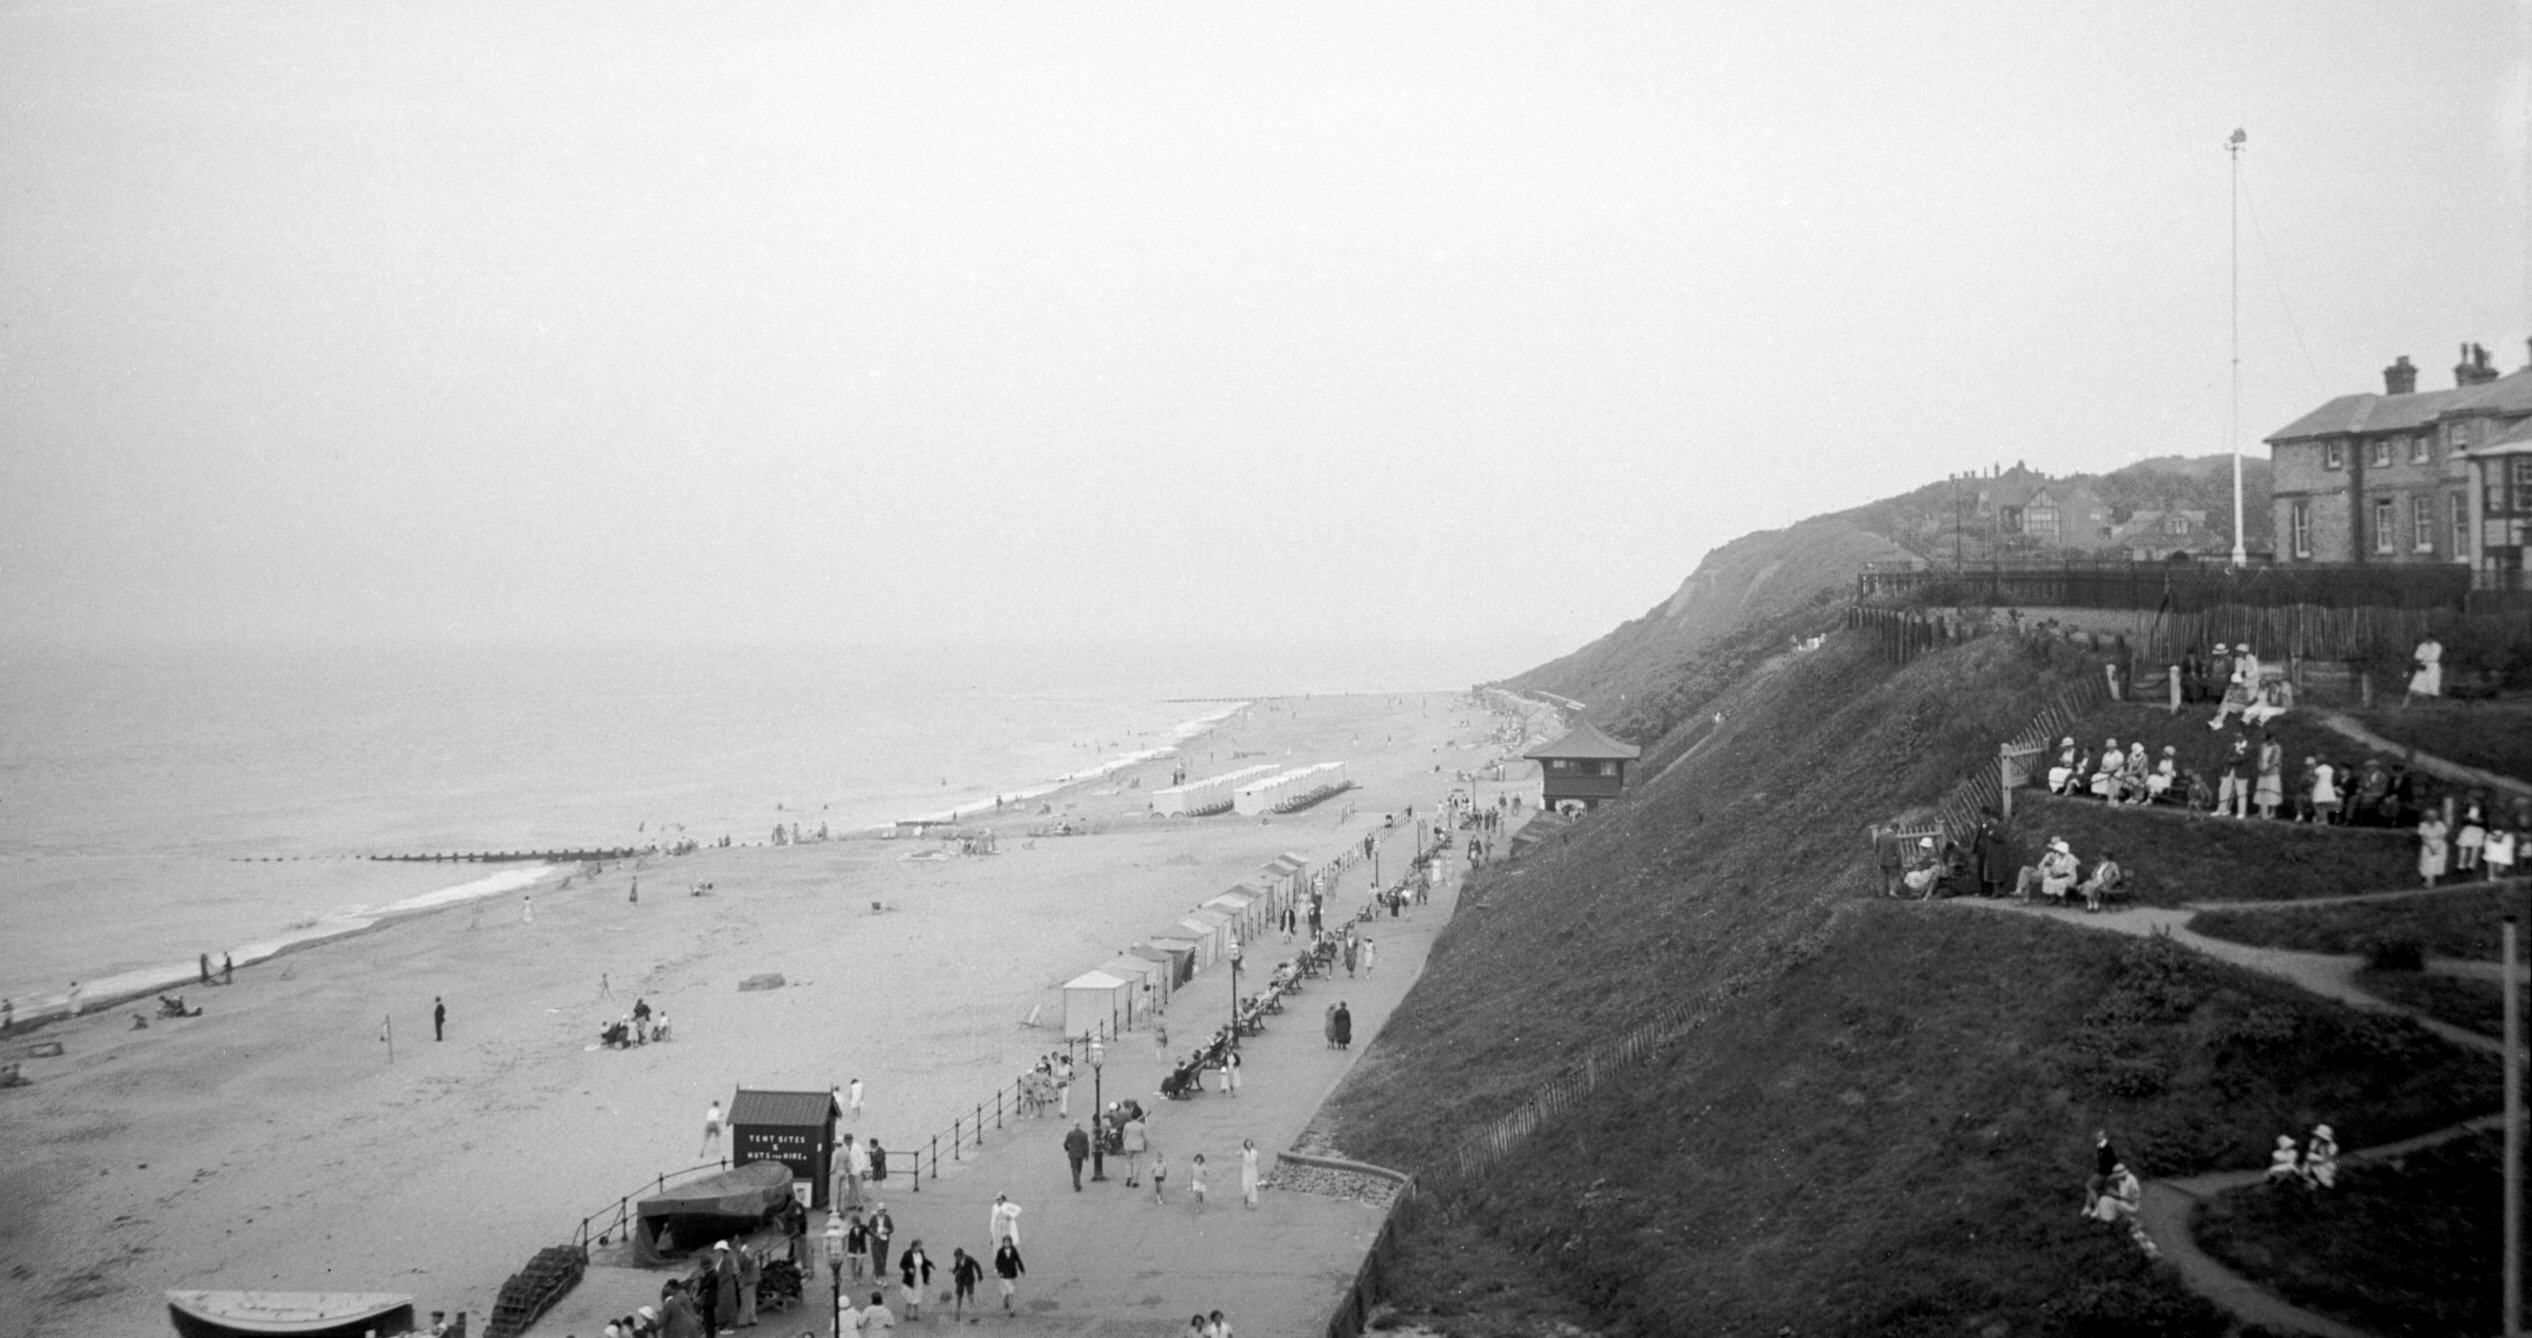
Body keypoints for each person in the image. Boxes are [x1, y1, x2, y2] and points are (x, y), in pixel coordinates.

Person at [896, 1240, 932, 1322]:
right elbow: (901, 1264)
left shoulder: (921, 1252)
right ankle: (907, 1314)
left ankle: (916, 1314)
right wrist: (908, 1269)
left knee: (917, 1296)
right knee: (909, 1297)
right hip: (910, 1279)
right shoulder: (907, 1253)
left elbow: (924, 1262)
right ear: (914, 1246)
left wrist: (930, 1264)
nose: (920, 1248)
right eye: (918, 1246)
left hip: (919, 1277)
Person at [2079, 849, 2124, 914]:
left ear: (2107, 856)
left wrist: (2111, 881)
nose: (2100, 857)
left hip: (2104, 882)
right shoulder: (2100, 863)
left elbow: (2118, 875)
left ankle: (2095, 905)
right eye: (2101, 856)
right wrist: (2093, 874)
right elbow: (2094, 871)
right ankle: (2090, 904)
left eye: (2102, 856)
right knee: (2087, 884)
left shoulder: (2112, 864)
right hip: (2095, 880)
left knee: (2093, 886)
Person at [2253, 733, 2283, 820]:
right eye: (2271, 739)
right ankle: (2261, 811)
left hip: (2272, 773)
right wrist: (2260, 768)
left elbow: (2277, 761)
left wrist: (2268, 769)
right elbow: (2259, 759)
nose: (2273, 741)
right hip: (2262, 772)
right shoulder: (2262, 746)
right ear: (2268, 739)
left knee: (2272, 791)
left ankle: (2272, 813)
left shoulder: (2277, 747)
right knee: (2261, 791)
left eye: (2274, 739)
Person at [2419, 807, 2451, 887]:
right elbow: (2423, 838)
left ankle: (2432, 881)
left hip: (2439, 845)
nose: (2432, 817)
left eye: (2433, 816)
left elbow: (2442, 837)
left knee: (2436, 862)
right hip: (2428, 845)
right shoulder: (2423, 825)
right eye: (2430, 816)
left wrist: (2437, 847)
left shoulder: (2440, 824)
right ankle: (2429, 881)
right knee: (2427, 863)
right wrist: (2431, 847)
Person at [2406, 636, 2443, 704]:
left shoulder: (2437, 646)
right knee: (2416, 683)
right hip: (2423, 665)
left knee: (2433, 684)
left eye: (2429, 639)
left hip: (2433, 666)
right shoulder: (2422, 646)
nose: (2428, 640)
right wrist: (2423, 659)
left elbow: (2434, 656)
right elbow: (2417, 656)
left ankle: (2433, 701)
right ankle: (2408, 701)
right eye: (2427, 639)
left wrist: (2425, 657)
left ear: (2432, 639)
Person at [992, 1239, 1025, 1315]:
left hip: (1012, 1274)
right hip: (1004, 1275)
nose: (1006, 1244)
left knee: (1009, 1291)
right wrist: (999, 1271)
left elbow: (1018, 1260)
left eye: (1008, 1242)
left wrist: (1022, 1269)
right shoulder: (1000, 1251)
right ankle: (1012, 1310)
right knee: (1011, 1292)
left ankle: (1005, 1301)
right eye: (1005, 1243)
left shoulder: (1013, 1250)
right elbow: (997, 1262)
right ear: (1003, 1243)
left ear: (1010, 1243)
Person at [949, 1246, 982, 1319]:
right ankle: (957, 1313)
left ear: (962, 1255)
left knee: (970, 1297)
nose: (956, 1259)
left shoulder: (969, 1259)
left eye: (957, 1257)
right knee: (959, 1297)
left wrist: (980, 1276)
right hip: (960, 1280)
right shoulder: (957, 1260)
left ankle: (973, 1315)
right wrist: (953, 1271)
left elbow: (977, 1266)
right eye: (956, 1257)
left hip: (969, 1280)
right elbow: (957, 1267)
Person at [2302, 1124, 2339, 1189]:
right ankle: (2308, 1178)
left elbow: (2326, 1159)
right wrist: (2313, 1148)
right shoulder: (2314, 1141)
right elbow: (2310, 1153)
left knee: (2311, 1158)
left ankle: (2320, 1182)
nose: (2318, 1138)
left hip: (2327, 1165)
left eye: (2321, 1136)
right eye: (2318, 1136)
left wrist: (2314, 1156)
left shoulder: (2333, 1146)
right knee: (2309, 1159)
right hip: (2316, 1163)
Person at [822, 1212, 849, 1293]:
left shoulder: (840, 1233)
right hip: (833, 1256)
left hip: (837, 1256)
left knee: (836, 1268)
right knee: (835, 1269)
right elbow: (826, 1247)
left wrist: (844, 1251)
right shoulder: (829, 1236)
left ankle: (836, 1278)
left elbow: (844, 1243)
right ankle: (836, 1278)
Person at [866, 1202, 894, 1278]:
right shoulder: (873, 1218)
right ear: (878, 1211)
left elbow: (892, 1228)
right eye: (881, 1210)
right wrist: (874, 1234)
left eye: (884, 1210)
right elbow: (869, 1228)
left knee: (884, 1257)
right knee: (876, 1257)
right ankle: (877, 1274)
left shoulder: (887, 1218)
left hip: (884, 1241)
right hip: (875, 1240)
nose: (883, 1212)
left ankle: (882, 1272)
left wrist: (887, 1231)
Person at [1123, 1111, 1149, 1186]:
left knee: (1128, 1162)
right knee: (1137, 1164)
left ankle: (1128, 1175)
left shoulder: (1127, 1125)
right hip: (1138, 1146)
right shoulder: (1141, 1126)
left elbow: (1124, 1136)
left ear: (1131, 1117)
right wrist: (1145, 1146)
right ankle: (1135, 1181)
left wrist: (1124, 1144)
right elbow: (1145, 1138)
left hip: (1128, 1146)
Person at [1064, 1122, 1091, 1190]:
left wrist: (1067, 1149)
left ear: (1074, 1126)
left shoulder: (1070, 1134)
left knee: (1074, 1169)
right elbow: (1087, 1146)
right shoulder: (1084, 1134)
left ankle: (1077, 1182)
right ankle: (1077, 1182)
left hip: (1072, 1154)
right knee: (1079, 1168)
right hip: (1081, 1154)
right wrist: (1087, 1155)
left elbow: (1065, 1144)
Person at [1240, 1137, 1261, 1210]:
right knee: (1246, 1188)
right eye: (1247, 1143)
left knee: (1253, 1188)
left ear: (1251, 1144)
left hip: (1253, 1172)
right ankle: (1246, 1200)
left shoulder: (1255, 1152)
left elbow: (1257, 1161)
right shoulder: (1244, 1152)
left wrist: (1255, 1165)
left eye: (1249, 1143)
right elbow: (1238, 1154)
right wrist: (1242, 1149)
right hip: (1246, 1172)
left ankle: (1252, 1204)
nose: (1248, 1145)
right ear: (1245, 1144)